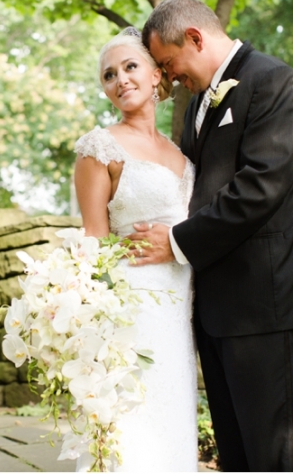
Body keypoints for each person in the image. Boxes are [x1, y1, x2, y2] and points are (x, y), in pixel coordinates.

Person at [127, 0, 293, 471]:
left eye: (168, 62)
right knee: (237, 453)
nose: (169, 76)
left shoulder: (273, 81)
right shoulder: (200, 99)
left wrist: (177, 241)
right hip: (218, 307)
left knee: (273, 454)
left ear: (196, 38)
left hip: (266, 300)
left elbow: (260, 187)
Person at [72, 27, 199, 471]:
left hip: (180, 300)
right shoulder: (98, 148)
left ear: (155, 74)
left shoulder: (183, 155)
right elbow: (93, 236)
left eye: (129, 67)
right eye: (109, 75)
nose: (120, 79)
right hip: (131, 305)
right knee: (132, 414)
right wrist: (95, 317)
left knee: (173, 407)